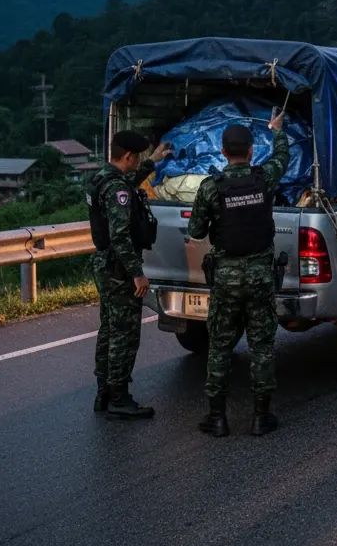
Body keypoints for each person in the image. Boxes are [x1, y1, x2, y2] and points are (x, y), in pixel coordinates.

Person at [188, 112, 289, 438]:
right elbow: (282, 158)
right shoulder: (265, 178)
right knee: (261, 346)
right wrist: (277, 131)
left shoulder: (210, 188)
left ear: (222, 150)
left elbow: (197, 230)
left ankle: (217, 418)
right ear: (249, 150)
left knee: (219, 346)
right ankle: (261, 417)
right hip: (260, 276)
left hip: (227, 277)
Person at [87, 130, 171, 418]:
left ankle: (104, 392)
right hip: (119, 268)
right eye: (137, 159)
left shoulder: (102, 178)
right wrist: (137, 273)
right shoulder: (117, 190)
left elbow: (128, 183)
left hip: (104, 264)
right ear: (128, 156)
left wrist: (153, 161)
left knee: (109, 329)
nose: (138, 163)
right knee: (125, 333)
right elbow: (120, 235)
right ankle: (119, 398)